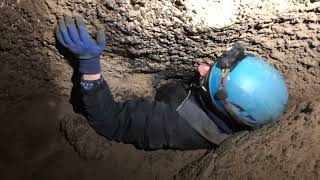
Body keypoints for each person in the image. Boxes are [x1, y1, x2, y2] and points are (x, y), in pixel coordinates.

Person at [55, 15, 288, 150]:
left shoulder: (169, 124)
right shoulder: (248, 111)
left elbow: (109, 122)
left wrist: (89, 66)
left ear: (222, 107)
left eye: (207, 78)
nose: (200, 68)